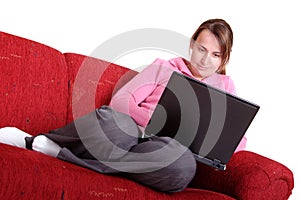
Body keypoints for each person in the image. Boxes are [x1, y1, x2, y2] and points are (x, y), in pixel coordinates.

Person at [0, 18, 246, 192]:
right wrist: (154, 122)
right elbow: (120, 101)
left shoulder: (226, 89)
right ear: (192, 45)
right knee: (109, 122)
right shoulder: (164, 67)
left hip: (165, 151)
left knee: (182, 166)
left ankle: (57, 152)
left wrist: (206, 143)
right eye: (202, 49)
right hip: (132, 134)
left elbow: (238, 142)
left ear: (225, 57)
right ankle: (41, 140)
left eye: (215, 55)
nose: (205, 60)